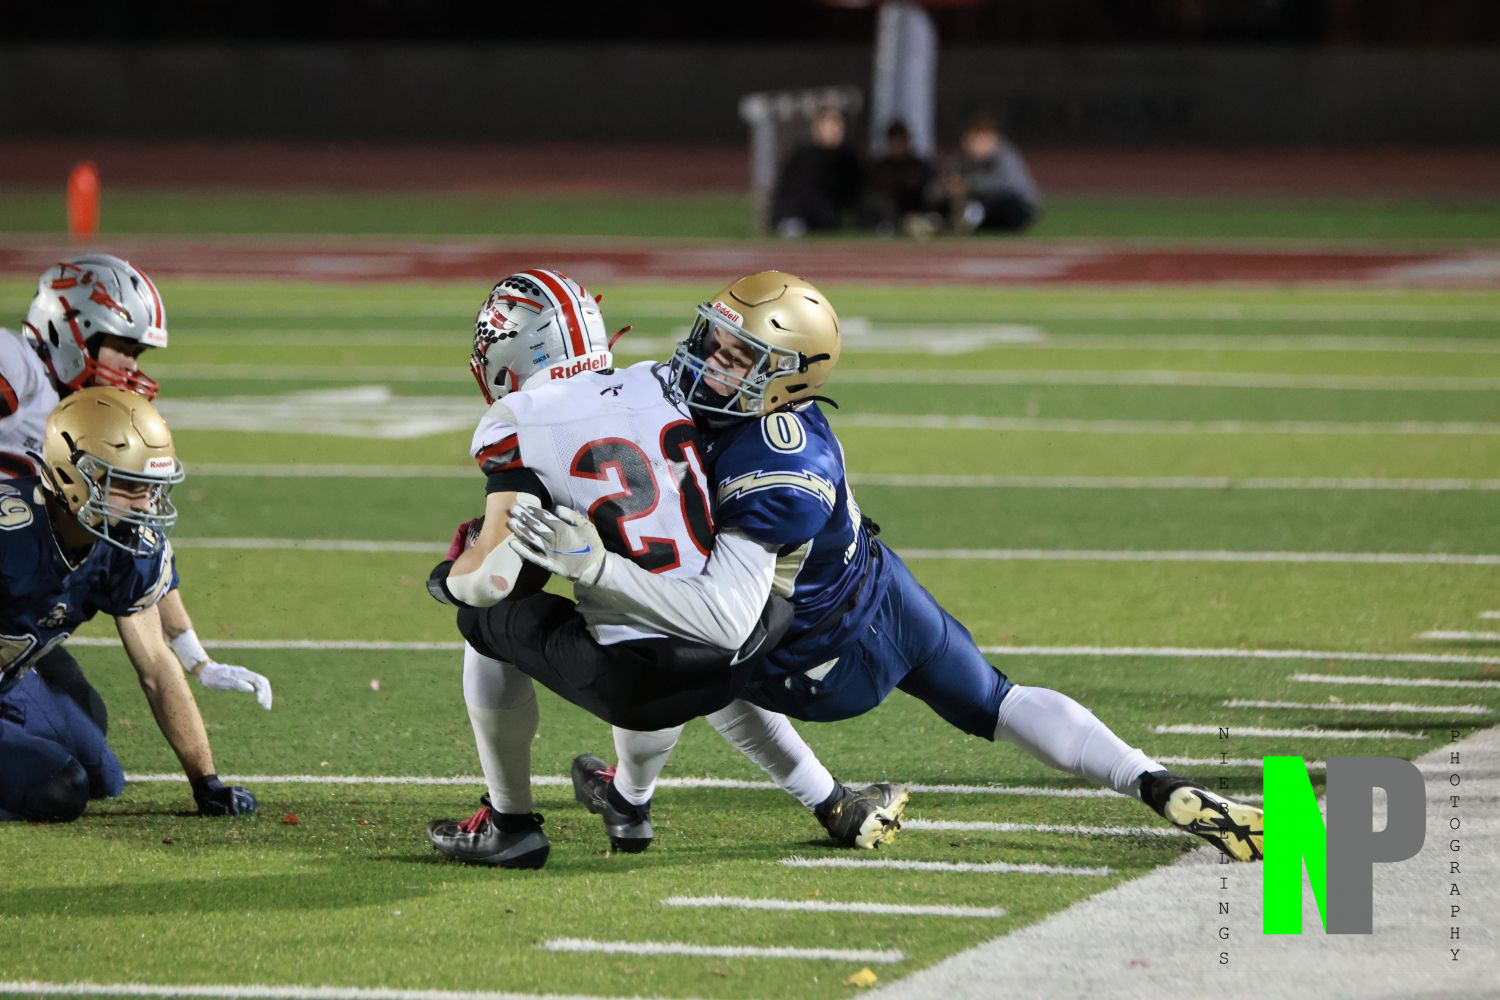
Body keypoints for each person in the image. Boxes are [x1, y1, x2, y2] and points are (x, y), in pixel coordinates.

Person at [507, 271, 1264, 864]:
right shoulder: (774, 422)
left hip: (809, 656)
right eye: (715, 338)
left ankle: (672, 798)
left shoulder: (771, 461)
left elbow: (725, 611)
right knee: (998, 699)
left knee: (691, 643)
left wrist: (594, 561)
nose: (711, 361)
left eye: (740, 357)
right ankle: (1152, 780)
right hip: (880, 592)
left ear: (786, 378)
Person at [424, 269, 907, 869]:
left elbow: (491, 580)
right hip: (740, 654)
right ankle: (634, 804)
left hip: (644, 677)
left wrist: (446, 577)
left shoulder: (516, 420)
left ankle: (509, 823)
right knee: (683, 613)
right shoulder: (663, 381)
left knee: (488, 621)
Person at [0, 254, 273, 743]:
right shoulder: (17, 368)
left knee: (85, 725)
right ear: (69, 331)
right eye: (123, 348)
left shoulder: (94, 416)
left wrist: (196, 659)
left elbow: (136, 543)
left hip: (16, 604)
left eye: (138, 353)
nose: (132, 367)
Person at [0, 386, 256, 821]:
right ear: (72, 475)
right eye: (131, 486)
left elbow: (156, 664)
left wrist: (206, 783)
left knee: (103, 775)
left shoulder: (121, 545)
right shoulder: (12, 535)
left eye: (152, 488)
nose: (146, 504)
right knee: (59, 790)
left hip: (12, 678)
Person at [936, 115, 1042, 233]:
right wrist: (950, 187)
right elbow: (944, 182)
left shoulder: (1005, 157)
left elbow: (1010, 187)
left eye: (986, 140)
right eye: (977, 140)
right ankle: (948, 220)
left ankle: (968, 218)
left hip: (1017, 208)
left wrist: (969, 185)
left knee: (997, 200)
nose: (982, 145)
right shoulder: (961, 159)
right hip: (984, 209)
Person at [768, 107, 863, 237]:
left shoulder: (847, 156)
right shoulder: (803, 153)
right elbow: (786, 187)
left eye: (836, 125)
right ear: (817, 128)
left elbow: (854, 189)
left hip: (829, 210)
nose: (832, 129)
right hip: (799, 207)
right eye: (827, 125)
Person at [862, 120, 939, 236]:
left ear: (907, 141)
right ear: (889, 141)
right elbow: (872, 192)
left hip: (915, 211)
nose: (898, 144)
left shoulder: (918, 165)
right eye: (894, 140)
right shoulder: (880, 167)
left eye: (901, 140)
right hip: (889, 214)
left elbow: (929, 188)